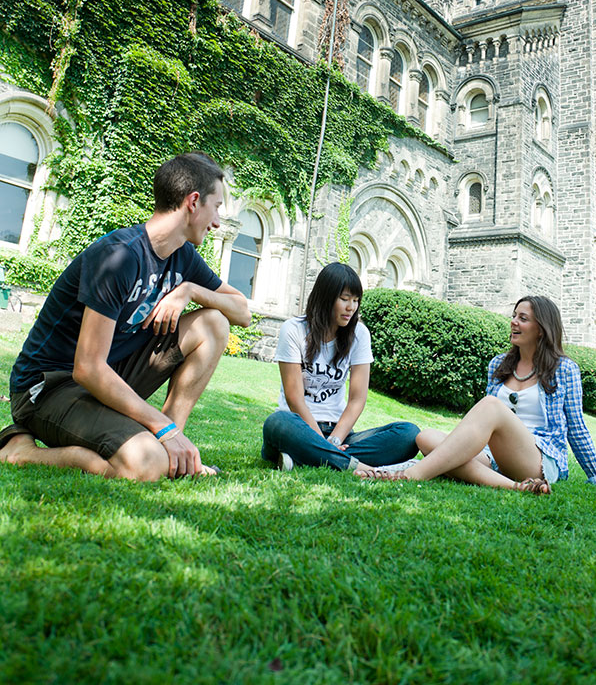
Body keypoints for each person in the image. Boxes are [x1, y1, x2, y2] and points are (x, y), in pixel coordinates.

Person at [0, 153, 250, 480]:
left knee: (213, 322)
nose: (217, 221)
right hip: (50, 387)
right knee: (146, 464)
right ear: (193, 202)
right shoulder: (119, 257)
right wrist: (162, 427)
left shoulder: (183, 256)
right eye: (216, 207)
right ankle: (21, 453)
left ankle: (174, 449)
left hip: (112, 374)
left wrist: (191, 291)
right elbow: (88, 368)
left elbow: (241, 312)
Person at [388, 295, 596, 492]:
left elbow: (577, 428)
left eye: (523, 318)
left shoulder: (564, 369)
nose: (513, 322)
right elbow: (481, 427)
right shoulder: (498, 364)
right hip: (492, 455)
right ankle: (514, 486)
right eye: (514, 316)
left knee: (491, 405)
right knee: (426, 437)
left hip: (539, 458)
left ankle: (412, 474)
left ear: (541, 329)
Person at [262, 262, 420, 474]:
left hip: (340, 433)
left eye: (355, 301)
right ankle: (356, 466)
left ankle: (306, 459)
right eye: (344, 299)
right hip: (298, 428)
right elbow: (294, 398)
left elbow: (357, 399)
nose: (351, 307)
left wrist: (335, 439)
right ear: (325, 297)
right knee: (277, 422)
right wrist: (321, 440)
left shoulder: (359, 334)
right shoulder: (294, 330)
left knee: (408, 434)